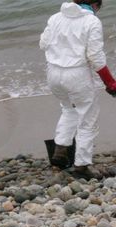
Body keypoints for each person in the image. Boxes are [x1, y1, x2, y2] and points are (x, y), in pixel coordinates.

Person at [40, 0, 116, 179]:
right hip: (76, 75)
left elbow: (43, 44)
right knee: (87, 119)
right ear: (96, 5)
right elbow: (95, 57)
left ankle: (60, 150)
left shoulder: (55, 17)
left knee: (69, 109)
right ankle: (82, 166)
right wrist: (111, 84)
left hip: (53, 73)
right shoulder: (92, 22)